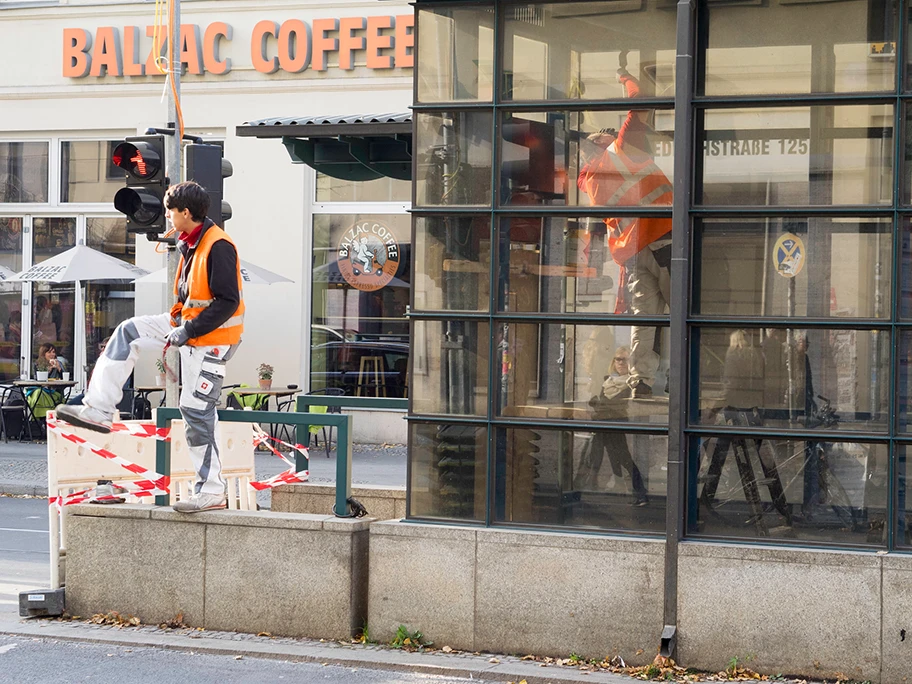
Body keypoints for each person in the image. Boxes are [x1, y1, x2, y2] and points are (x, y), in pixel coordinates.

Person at [57, 181, 245, 513]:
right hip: (189, 328)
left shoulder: (218, 245)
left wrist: (186, 330)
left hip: (210, 343)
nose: (167, 217)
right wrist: (181, 327)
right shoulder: (192, 242)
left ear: (185, 213)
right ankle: (99, 410)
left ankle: (212, 490)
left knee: (197, 413)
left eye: (171, 211)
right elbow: (194, 299)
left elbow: (228, 302)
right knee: (129, 331)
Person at [577, 70, 672, 399]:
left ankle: (641, 381)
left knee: (643, 321)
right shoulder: (620, 150)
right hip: (662, 243)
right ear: (601, 144)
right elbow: (639, 103)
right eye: (606, 134)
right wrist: (625, 78)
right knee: (686, 313)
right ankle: (693, 375)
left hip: (633, 256)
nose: (612, 133)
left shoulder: (590, 181)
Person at [577, 346, 649, 506]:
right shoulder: (608, 382)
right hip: (601, 425)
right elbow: (605, 404)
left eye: (625, 359)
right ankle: (579, 492)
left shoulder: (632, 383)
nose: (621, 363)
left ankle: (641, 493)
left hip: (615, 425)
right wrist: (596, 403)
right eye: (618, 359)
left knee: (623, 459)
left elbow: (619, 406)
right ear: (613, 362)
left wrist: (601, 405)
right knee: (591, 457)